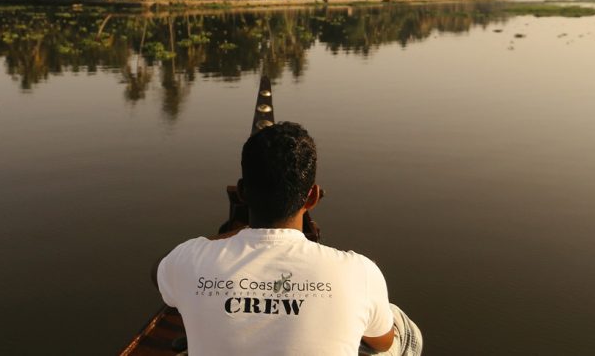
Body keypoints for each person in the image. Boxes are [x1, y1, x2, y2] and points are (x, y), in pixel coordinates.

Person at [154, 122, 422, 355]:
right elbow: (383, 343)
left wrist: (233, 234)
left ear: (242, 192)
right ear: (313, 197)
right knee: (397, 323)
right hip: (361, 294)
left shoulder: (189, 259)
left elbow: (159, 271)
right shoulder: (359, 271)